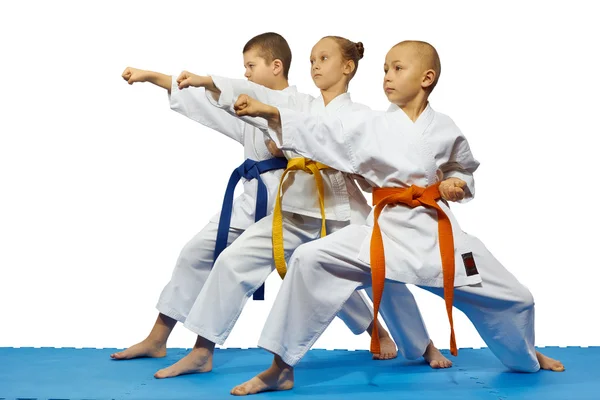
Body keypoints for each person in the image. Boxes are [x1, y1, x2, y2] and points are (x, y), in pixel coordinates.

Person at [227, 40, 565, 396]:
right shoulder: (371, 126)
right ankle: (281, 367)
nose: (387, 76)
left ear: (426, 78)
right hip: (384, 234)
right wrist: (271, 113)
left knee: (517, 298)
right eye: (385, 69)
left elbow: (462, 169)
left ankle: (525, 356)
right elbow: (321, 134)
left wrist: (456, 185)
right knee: (310, 258)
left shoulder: (445, 127)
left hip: (436, 236)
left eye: (397, 69)